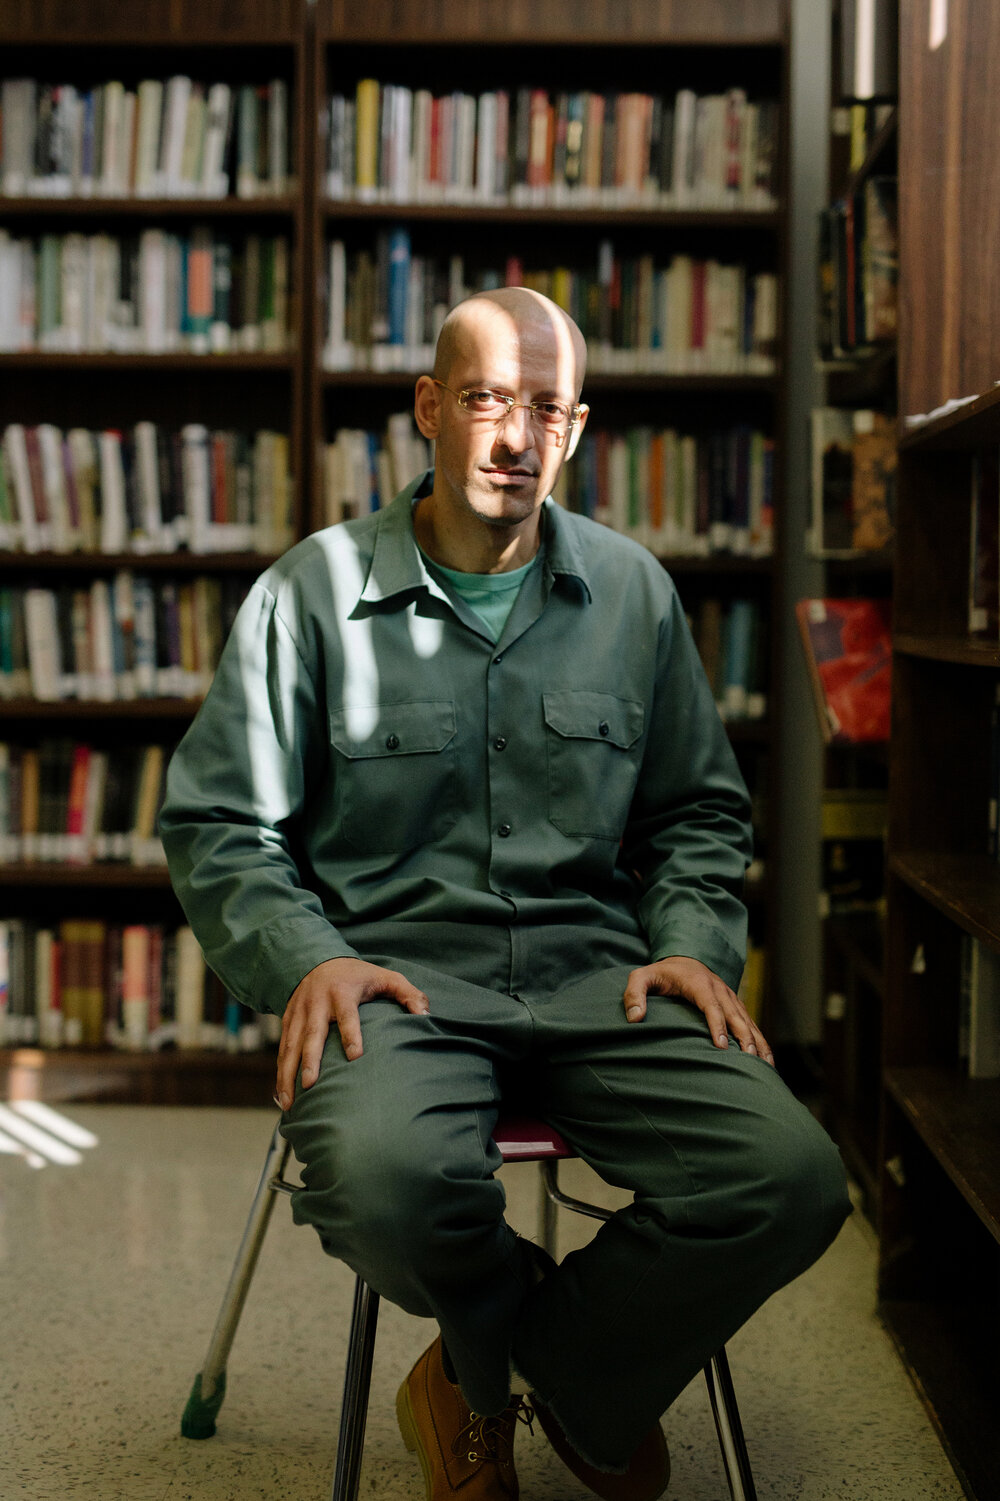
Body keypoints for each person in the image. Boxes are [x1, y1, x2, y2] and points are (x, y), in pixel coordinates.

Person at [160, 286, 851, 1501]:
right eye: (483, 399)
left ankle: (524, 1371)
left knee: (790, 1179)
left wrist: (690, 936)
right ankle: (540, 1377)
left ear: (575, 431)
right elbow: (219, 821)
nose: (513, 435)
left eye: (544, 407)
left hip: (605, 982)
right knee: (384, 1181)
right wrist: (305, 956)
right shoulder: (310, 594)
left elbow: (696, 811)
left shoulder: (634, 595)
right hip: (400, 991)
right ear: (428, 409)